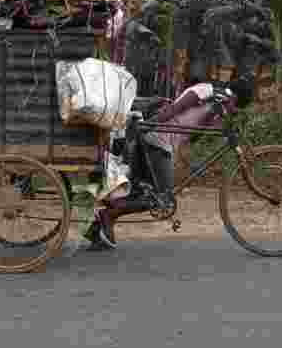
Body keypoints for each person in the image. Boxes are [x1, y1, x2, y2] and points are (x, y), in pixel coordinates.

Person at [83, 77, 253, 250]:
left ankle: (100, 227)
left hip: (159, 142)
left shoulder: (217, 106)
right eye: (236, 105)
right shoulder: (206, 90)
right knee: (163, 200)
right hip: (158, 139)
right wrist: (150, 125)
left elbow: (193, 137)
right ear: (233, 96)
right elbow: (175, 108)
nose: (235, 110)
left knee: (141, 191)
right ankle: (107, 215)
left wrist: (215, 120)